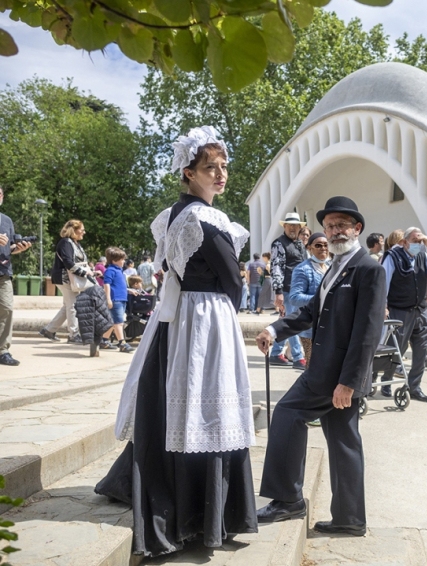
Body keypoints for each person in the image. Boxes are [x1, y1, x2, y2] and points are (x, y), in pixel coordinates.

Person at [95, 126, 257, 556]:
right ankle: (199, 514)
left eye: (223, 167)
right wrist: (226, 306)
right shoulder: (207, 218)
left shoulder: (171, 215)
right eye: (210, 168)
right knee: (205, 404)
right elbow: (232, 281)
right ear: (189, 172)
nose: (220, 175)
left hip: (177, 318)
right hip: (205, 318)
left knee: (172, 403)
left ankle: (165, 494)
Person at [254, 196, 385, 536]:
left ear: (357, 228)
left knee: (287, 413)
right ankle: (349, 519)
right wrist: (274, 330)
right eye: (329, 226)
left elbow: (368, 332)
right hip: (330, 372)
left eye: (342, 225)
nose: (335, 231)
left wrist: (349, 382)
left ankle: (287, 499)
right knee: (343, 442)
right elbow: (312, 312)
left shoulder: (368, 269)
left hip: (335, 376)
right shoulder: (336, 267)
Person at [380, 226, 427, 402]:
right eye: (415, 241)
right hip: (400, 311)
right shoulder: (393, 257)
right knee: (397, 348)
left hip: (421, 311)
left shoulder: (423, 256)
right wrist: (383, 306)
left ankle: (414, 386)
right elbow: (383, 282)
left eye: (420, 241)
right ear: (404, 242)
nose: (418, 244)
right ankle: (386, 379)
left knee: (421, 351)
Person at [40, 219, 94, 344]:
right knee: (73, 306)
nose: (84, 232)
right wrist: (84, 273)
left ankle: (49, 330)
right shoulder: (65, 242)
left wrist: (90, 271)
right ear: (74, 230)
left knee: (68, 305)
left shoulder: (74, 243)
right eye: (82, 229)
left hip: (70, 278)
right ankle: (73, 335)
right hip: (65, 278)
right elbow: (68, 262)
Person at [0, 185, 33, 366]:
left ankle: (2, 350)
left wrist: (19, 248)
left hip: (3, 272)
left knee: (7, 308)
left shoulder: (7, 220)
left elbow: (10, 247)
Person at [270, 212, 308, 367]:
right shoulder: (279, 243)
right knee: (293, 322)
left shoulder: (299, 243)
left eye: (296, 225)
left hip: (298, 289)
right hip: (287, 289)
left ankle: (275, 353)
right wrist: (278, 291)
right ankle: (298, 357)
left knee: (287, 321)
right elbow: (276, 267)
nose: (293, 228)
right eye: (290, 225)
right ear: (284, 226)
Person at [288, 232, 331, 367]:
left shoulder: (332, 267)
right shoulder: (302, 269)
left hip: (330, 326)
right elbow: (294, 298)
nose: (323, 248)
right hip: (310, 328)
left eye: (326, 245)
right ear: (309, 248)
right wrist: (321, 298)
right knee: (313, 368)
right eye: (318, 245)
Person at [100, 247, 135, 353]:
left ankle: (104, 341)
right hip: (115, 300)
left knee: (113, 322)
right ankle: (122, 343)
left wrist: (129, 290)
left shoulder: (119, 271)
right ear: (114, 260)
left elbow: (118, 285)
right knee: (119, 322)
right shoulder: (110, 270)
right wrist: (108, 299)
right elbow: (106, 284)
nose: (124, 261)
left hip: (121, 299)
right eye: (122, 259)